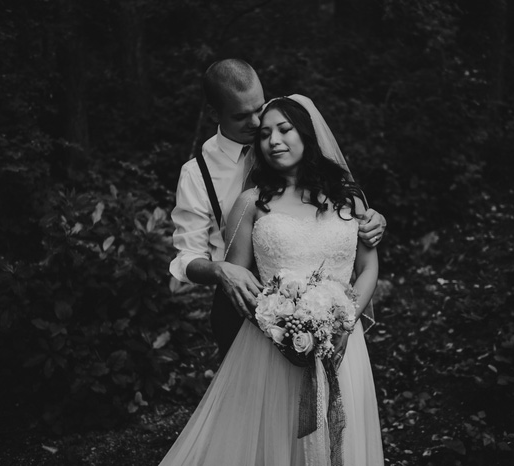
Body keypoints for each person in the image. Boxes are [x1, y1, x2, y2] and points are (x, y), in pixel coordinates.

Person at [158, 96, 384, 465]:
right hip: (273, 347)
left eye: (284, 129)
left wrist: (344, 324)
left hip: (344, 339)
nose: (273, 141)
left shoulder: (349, 197)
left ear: (306, 133)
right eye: (264, 134)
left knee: (340, 437)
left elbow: (369, 269)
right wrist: (281, 329)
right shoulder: (251, 202)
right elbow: (239, 279)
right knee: (276, 440)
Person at [169, 59, 387, 355]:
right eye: (242, 116)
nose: (259, 124)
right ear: (214, 114)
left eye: (260, 108)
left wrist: (369, 220)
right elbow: (187, 257)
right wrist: (221, 271)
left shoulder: (283, 137)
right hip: (242, 307)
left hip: (325, 313)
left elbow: (338, 219)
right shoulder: (197, 174)